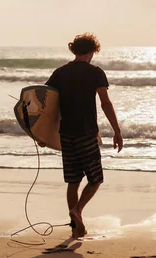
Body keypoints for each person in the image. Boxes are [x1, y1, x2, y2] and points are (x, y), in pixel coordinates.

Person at [45, 33, 123, 238]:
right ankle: (78, 210)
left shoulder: (60, 73)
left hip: (66, 134)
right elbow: (105, 103)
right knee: (95, 179)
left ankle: (76, 227)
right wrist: (117, 130)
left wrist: (43, 134)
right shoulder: (95, 72)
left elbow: (47, 106)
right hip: (87, 133)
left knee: (73, 181)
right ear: (91, 51)